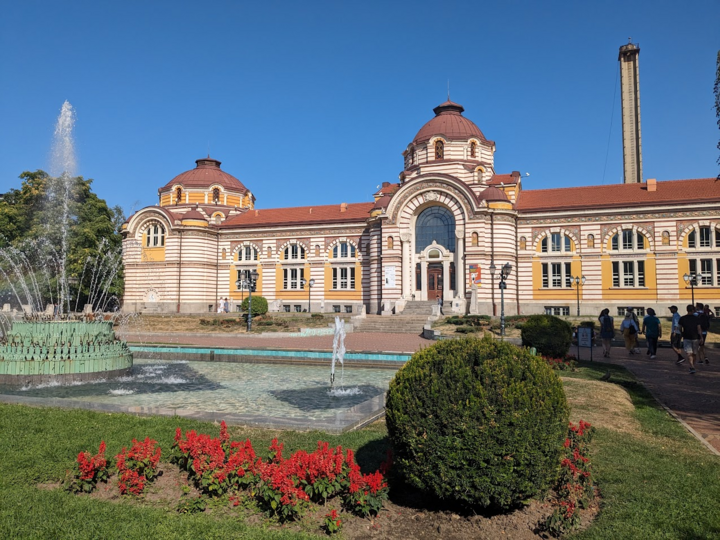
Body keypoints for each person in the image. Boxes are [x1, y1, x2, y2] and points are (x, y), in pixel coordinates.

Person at [679, 304, 703, 374]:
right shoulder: (697, 319)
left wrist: (682, 333)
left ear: (687, 310)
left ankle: (691, 366)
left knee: (689, 353)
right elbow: (699, 329)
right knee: (694, 353)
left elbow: (680, 328)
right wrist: (701, 337)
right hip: (695, 337)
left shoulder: (682, 318)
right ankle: (693, 365)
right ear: (693, 310)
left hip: (686, 337)